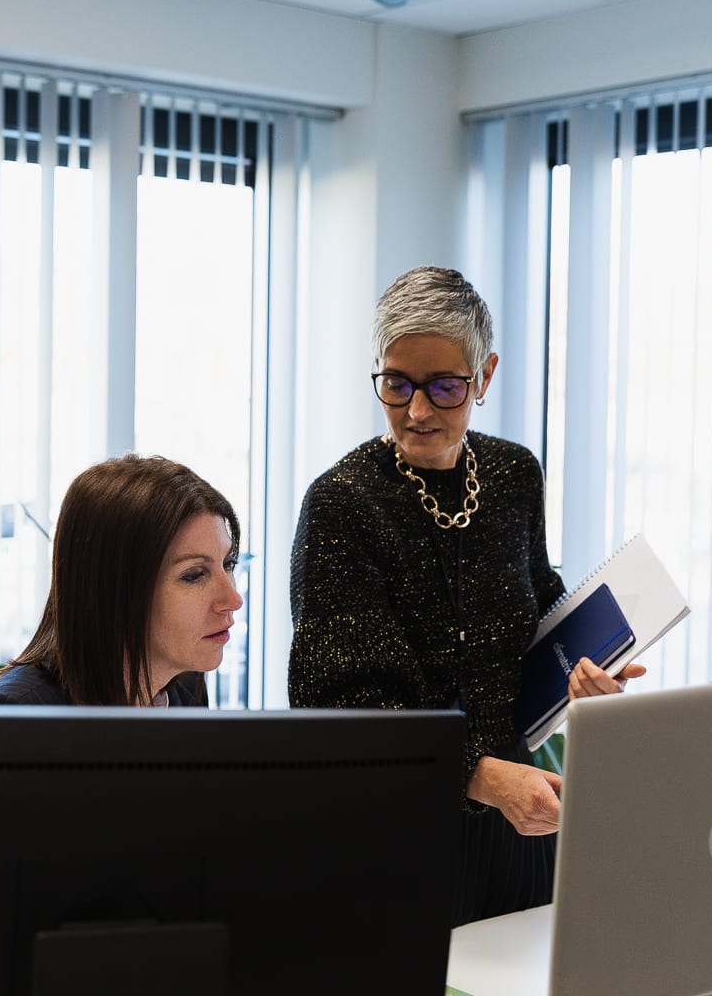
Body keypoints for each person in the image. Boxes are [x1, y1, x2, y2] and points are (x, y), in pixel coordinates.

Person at [288, 265, 644, 926]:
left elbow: (538, 612)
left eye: (445, 387)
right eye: (396, 384)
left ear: (485, 377)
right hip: (399, 839)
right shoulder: (341, 503)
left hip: (519, 822)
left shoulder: (512, 474)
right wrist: (479, 775)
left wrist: (585, 672)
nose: (417, 412)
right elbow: (339, 703)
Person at [0, 454, 243, 707]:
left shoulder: (184, 693)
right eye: (194, 575)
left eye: (228, 564)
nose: (233, 600)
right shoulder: (17, 716)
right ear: (113, 588)